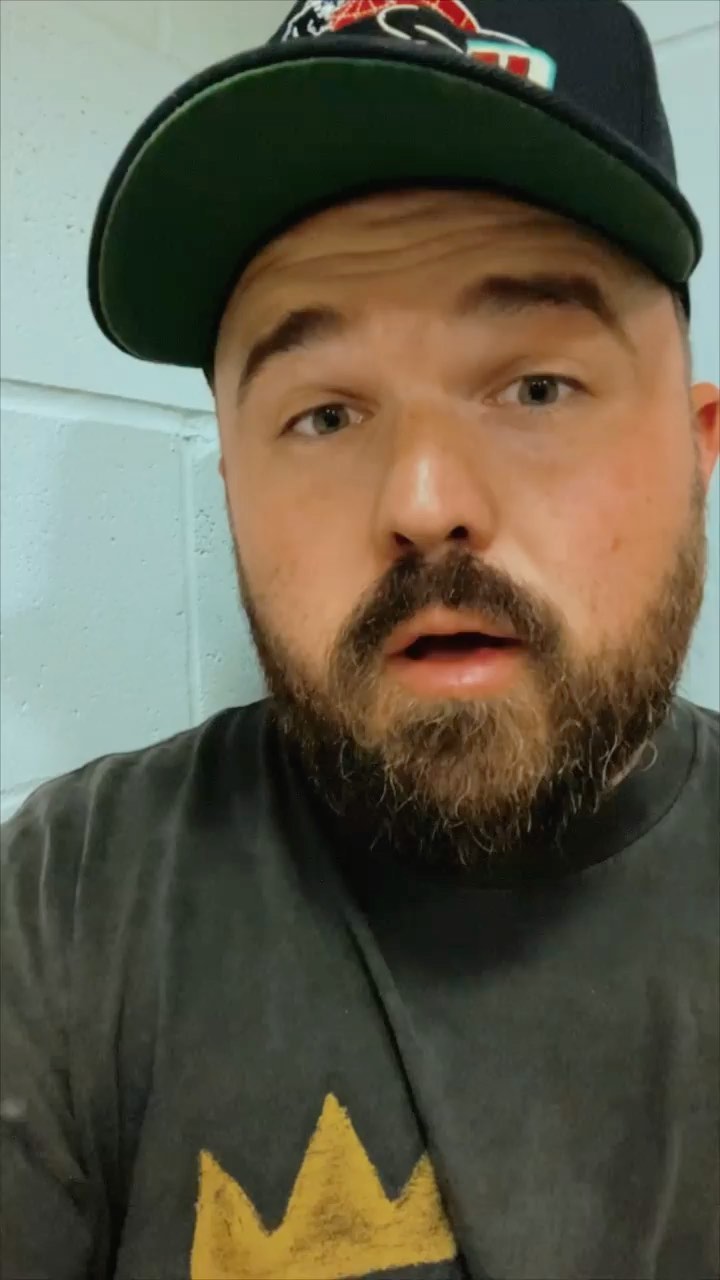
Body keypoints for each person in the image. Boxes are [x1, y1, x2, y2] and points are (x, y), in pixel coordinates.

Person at [2, 1, 719, 1277]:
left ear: (698, 445)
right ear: (232, 478)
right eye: (325, 415)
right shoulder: (64, 902)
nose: (424, 500)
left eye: (536, 385)